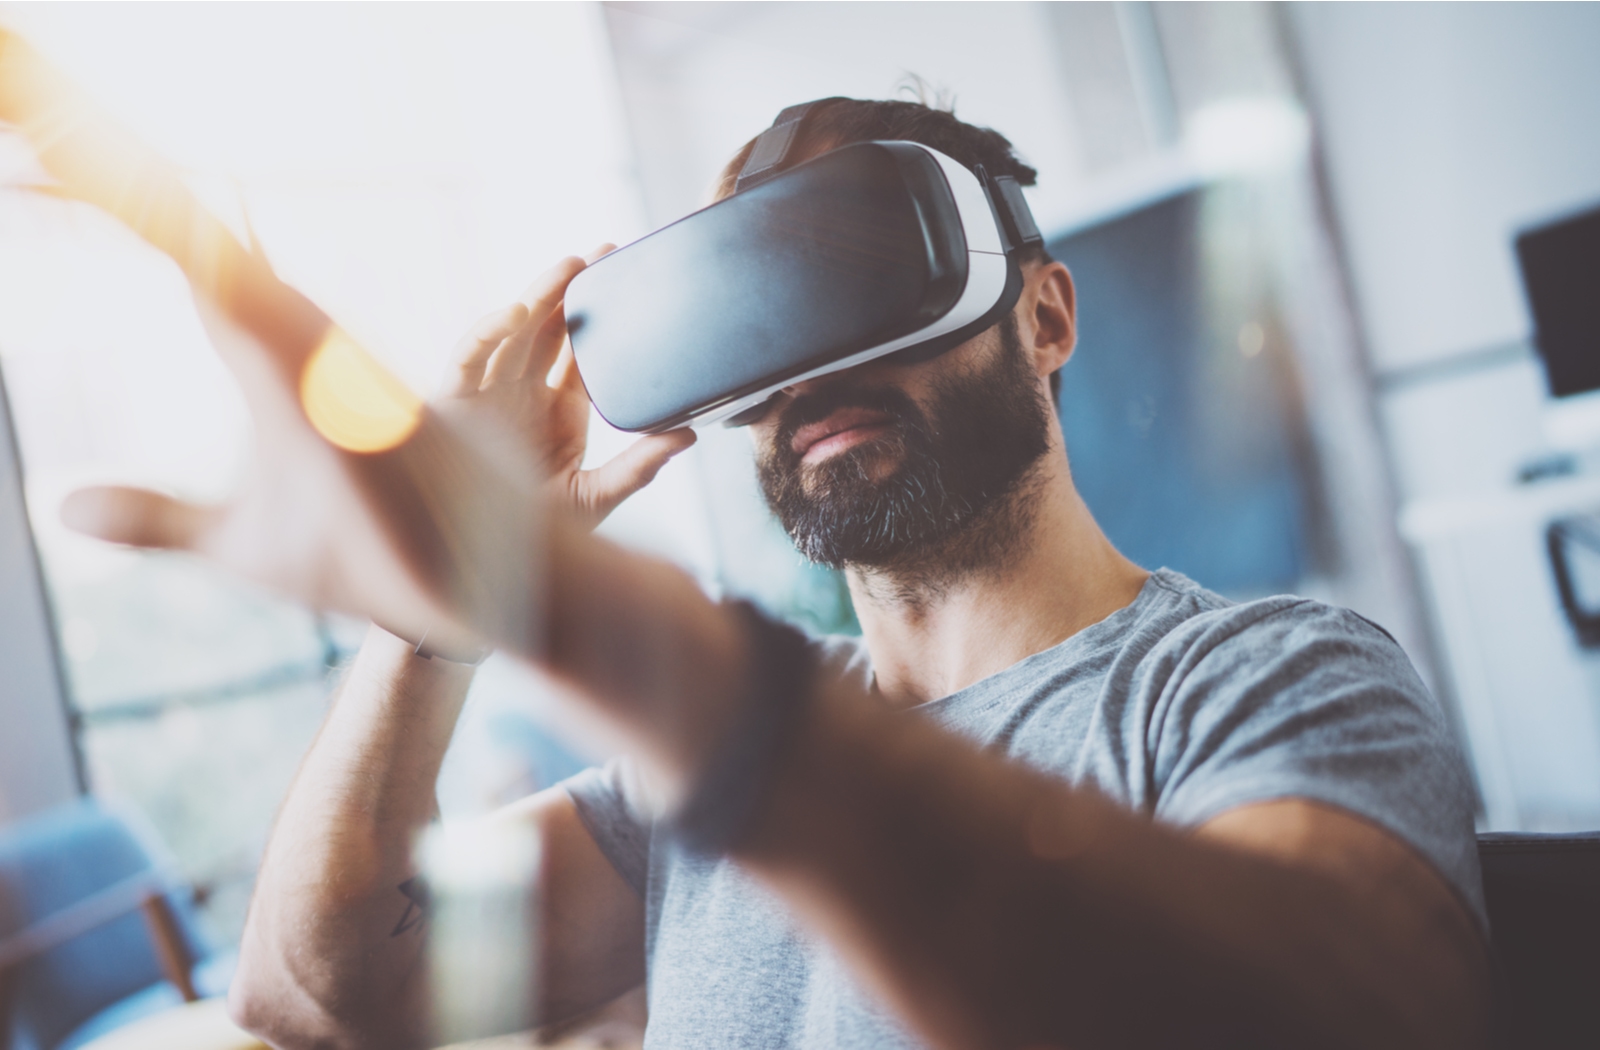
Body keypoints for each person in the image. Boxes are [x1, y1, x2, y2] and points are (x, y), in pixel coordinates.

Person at [69, 99, 1490, 1049]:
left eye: (865, 272)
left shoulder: (1261, 681)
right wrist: (436, 614)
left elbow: (1344, 1013)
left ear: (1044, 316)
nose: (812, 367)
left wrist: (614, 637)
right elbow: (317, 992)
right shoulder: (665, 803)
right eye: (758, 314)